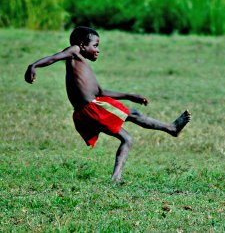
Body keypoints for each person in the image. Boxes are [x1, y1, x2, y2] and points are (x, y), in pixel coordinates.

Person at [24, 26, 191, 181]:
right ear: (82, 45)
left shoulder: (82, 63)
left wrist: (129, 95)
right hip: (92, 109)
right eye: (95, 45)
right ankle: (171, 128)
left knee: (127, 138)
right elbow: (54, 58)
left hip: (87, 111)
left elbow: (101, 92)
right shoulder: (74, 52)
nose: (98, 50)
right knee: (134, 115)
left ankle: (116, 178)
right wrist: (34, 65)